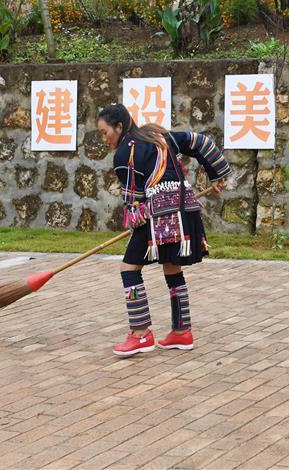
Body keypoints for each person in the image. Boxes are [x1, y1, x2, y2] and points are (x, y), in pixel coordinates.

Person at [96, 104, 230, 356]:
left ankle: (141, 333)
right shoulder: (158, 136)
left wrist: (136, 221)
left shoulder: (125, 153)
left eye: (104, 132)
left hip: (160, 217)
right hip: (186, 211)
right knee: (172, 267)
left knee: (129, 268)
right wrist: (218, 175)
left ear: (119, 127)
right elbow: (199, 141)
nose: (104, 139)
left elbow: (134, 201)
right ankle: (181, 332)